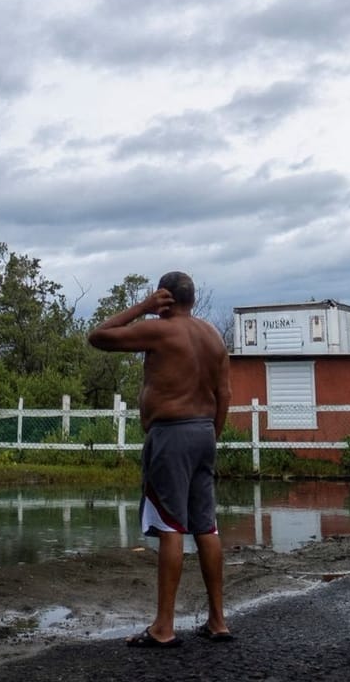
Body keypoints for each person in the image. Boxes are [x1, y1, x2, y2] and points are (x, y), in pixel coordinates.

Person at [88, 270, 233, 648]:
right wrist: (211, 436)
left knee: (171, 526)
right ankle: (217, 621)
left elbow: (99, 336)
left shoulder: (161, 329)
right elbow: (225, 394)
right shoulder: (213, 336)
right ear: (193, 299)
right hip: (204, 433)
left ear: (164, 297)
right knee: (206, 526)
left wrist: (144, 307)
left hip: (172, 435)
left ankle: (163, 628)